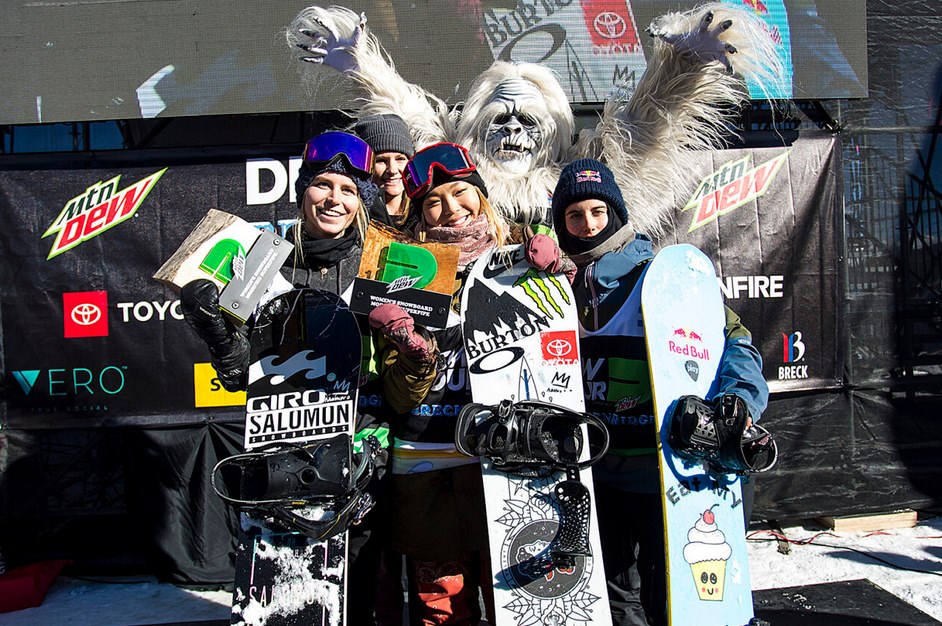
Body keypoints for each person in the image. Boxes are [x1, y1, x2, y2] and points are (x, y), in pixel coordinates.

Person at [534, 158, 770, 626]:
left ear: (617, 214)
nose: (587, 226)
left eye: (598, 212)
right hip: (594, 470)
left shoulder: (659, 276)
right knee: (614, 594)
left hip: (664, 470)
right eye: (574, 216)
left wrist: (737, 402)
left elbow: (735, 341)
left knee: (673, 592)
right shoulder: (552, 285)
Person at [179, 130, 391, 625]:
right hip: (282, 445)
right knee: (283, 597)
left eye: (347, 189)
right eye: (323, 185)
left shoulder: (381, 263)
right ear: (302, 191)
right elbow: (238, 376)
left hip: (359, 449)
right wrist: (215, 331)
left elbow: (404, 374)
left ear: (362, 200)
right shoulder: (263, 257)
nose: (334, 199)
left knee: (352, 589)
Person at [366, 141, 508, 625]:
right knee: (441, 606)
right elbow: (398, 396)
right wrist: (412, 351)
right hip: (426, 467)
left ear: (482, 196)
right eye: (434, 201)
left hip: (504, 463)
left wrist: (562, 273)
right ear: (419, 216)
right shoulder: (401, 276)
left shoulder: (518, 264)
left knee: (521, 599)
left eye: (461, 193)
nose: (450, 209)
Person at [354, 112, 417, 230]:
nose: (392, 170)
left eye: (400, 159)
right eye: (381, 160)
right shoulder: (353, 213)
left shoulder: (424, 211)